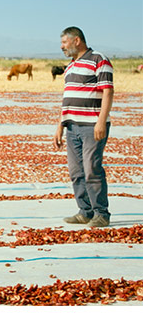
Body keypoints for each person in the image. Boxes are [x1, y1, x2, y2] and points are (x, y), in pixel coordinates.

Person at [53, 27, 114, 227]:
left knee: (92, 169)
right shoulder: (70, 66)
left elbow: (107, 92)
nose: (62, 47)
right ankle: (85, 211)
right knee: (76, 171)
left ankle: (101, 214)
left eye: (64, 43)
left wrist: (101, 121)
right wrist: (60, 126)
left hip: (91, 126)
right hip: (72, 126)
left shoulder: (99, 60)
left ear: (76, 40)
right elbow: (67, 98)